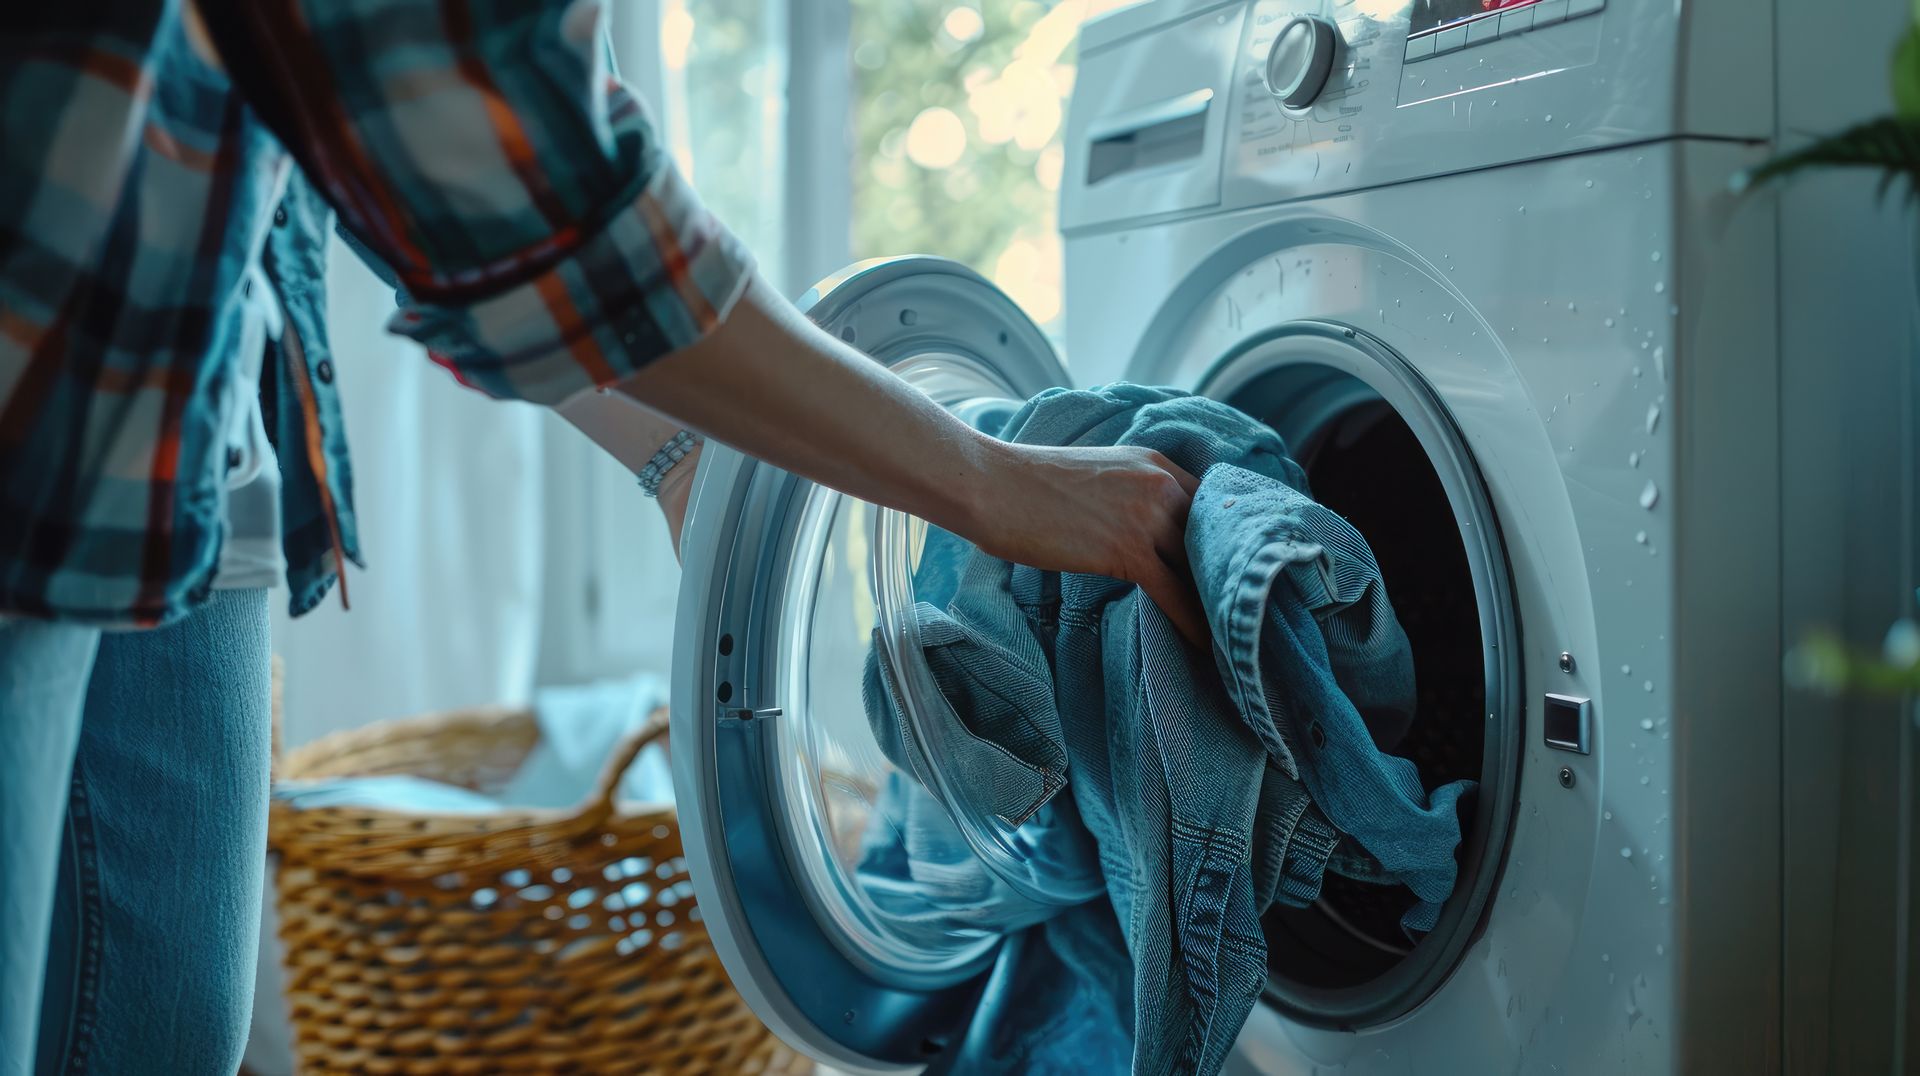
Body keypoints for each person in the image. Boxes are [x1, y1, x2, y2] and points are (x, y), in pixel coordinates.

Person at [0, 2, 1205, 1071]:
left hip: (190, 408)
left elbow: (379, 139)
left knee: (158, 1036)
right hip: (30, 362)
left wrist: (680, 459)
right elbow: (494, 134)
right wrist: (987, 483)